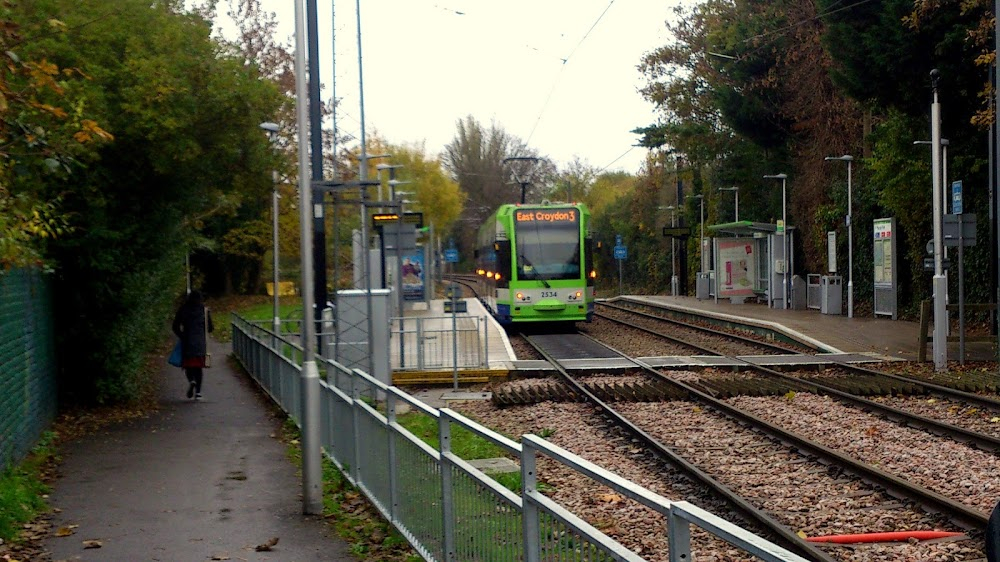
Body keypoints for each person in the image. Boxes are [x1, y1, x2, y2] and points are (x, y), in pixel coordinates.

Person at [172, 290, 214, 400]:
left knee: (188, 366)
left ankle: (192, 381)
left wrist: (182, 335)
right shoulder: (204, 310)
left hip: (187, 342)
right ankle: (198, 392)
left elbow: (175, 326)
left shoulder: (183, 309)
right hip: (200, 343)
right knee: (198, 368)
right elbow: (210, 328)